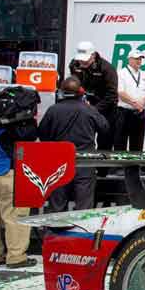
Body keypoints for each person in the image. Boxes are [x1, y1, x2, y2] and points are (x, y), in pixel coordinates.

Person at [38, 77, 110, 212]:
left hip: (59, 161)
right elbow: (105, 128)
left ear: (61, 92)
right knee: (84, 207)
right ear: (80, 92)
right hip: (85, 162)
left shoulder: (53, 110)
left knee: (57, 206)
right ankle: (82, 232)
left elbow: (42, 133)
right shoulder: (89, 109)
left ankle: (56, 231)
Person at [0, 91, 37, 268]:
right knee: (15, 215)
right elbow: (30, 136)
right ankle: (16, 257)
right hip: (7, 172)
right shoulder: (12, 128)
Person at [69, 42, 117, 151]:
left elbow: (112, 95)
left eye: (85, 59)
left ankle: (103, 168)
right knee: (82, 138)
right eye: (80, 59)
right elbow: (75, 85)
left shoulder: (107, 68)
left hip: (106, 109)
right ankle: (84, 166)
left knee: (105, 142)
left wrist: (94, 109)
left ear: (93, 55)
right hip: (84, 106)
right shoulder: (74, 64)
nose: (82, 62)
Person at [114, 49, 145, 152]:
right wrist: (135, 103)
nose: (139, 61)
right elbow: (120, 92)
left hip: (140, 113)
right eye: (136, 58)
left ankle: (134, 168)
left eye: (140, 59)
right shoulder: (121, 73)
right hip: (124, 112)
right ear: (129, 59)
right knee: (120, 143)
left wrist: (142, 103)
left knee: (138, 144)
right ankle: (120, 168)